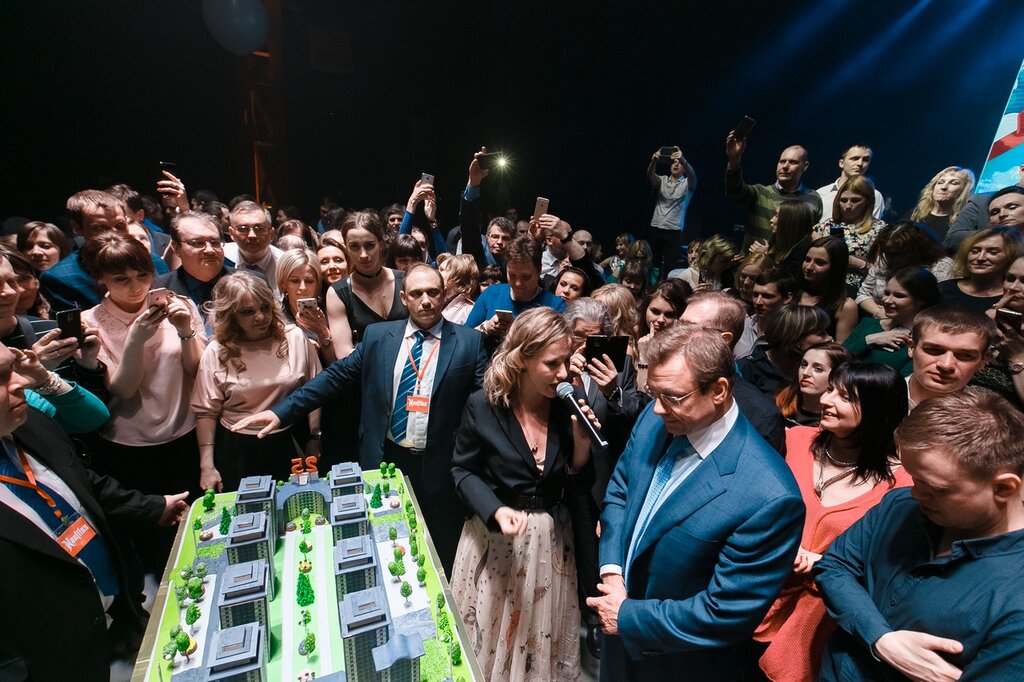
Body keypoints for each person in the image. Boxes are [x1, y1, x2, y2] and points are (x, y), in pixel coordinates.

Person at [233, 264, 487, 570]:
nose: (425, 301)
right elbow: (335, 377)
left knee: (440, 547)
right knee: (385, 538)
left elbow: (483, 406)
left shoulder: (469, 342)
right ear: (404, 298)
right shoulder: (379, 337)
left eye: (433, 292)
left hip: (440, 464)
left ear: (443, 294)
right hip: (385, 457)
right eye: (416, 293)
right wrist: (282, 411)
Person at [591, 324, 804, 681]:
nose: (657, 409)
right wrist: (612, 573)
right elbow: (621, 491)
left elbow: (725, 612)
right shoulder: (658, 420)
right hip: (617, 640)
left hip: (678, 664)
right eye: (654, 393)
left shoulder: (770, 496)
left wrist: (627, 617)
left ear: (718, 390)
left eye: (673, 397)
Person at [0, 345, 189, 682]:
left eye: (13, 369)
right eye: (1, 378)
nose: (20, 383)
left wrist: (152, 507)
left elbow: (83, 482)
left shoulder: (30, 424)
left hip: (114, 612)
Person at [814, 389, 1024, 681]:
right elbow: (835, 567)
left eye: (936, 488)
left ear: (1003, 488)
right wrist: (881, 639)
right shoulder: (901, 505)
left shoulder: (1015, 605)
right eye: (915, 479)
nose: (915, 493)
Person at [450, 307, 595, 681]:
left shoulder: (568, 406)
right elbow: (463, 470)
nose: (564, 373)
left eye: (567, 361)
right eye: (552, 363)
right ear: (522, 359)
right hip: (496, 541)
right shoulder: (484, 405)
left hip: (550, 542)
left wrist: (582, 447)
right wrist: (494, 510)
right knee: (491, 638)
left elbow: (579, 483)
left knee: (536, 644)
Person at [755, 362, 912, 681]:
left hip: (816, 620)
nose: (826, 400)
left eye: (845, 397)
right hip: (756, 592)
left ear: (878, 410)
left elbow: (887, 567)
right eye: (830, 390)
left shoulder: (902, 485)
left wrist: (826, 562)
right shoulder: (795, 439)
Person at [78, 233, 206, 571]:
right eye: (122, 279)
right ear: (101, 279)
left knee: (200, 526)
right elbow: (122, 389)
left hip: (186, 433)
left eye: (143, 275)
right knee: (157, 542)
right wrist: (135, 339)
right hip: (129, 444)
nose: (136, 286)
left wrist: (185, 329)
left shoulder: (179, 304)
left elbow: (197, 370)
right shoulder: (91, 322)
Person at [192, 273, 322, 492]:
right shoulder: (217, 350)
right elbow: (206, 412)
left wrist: (315, 436)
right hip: (239, 448)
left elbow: (314, 390)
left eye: (265, 307)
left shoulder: (294, 337)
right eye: (248, 312)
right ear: (230, 314)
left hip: (291, 438)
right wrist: (207, 466)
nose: (261, 317)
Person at [679, 291, 787, 454]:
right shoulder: (665, 389)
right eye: (678, 325)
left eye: (689, 328)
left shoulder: (760, 415)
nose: (676, 334)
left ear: (724, 339)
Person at [40, 190, 168, 311]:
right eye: (100, 228)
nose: (114, 234)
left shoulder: (154, 261)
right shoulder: (60, 279)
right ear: (77, 228)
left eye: (120, 225)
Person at [725, 133, 822, 253]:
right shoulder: (761, 193)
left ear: (805, 166)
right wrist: (734, 160)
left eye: (793, 162)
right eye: (782, 161)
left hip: (790, 263)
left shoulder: (813, 198)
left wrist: (771, 254)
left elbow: (809, 239)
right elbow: (734, 191)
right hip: (752, 262)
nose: (785, 166)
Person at [465, 234, 566, 339]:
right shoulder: (491, 293)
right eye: (512, 275)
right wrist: (486, 327)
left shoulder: (556, 307)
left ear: (539, 271)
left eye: (526, 277)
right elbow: (463, 337)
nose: (518, 283)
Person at [844, 266, 940, 374]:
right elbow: (836, 359)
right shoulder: (868, 324)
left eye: (899, 296)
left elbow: (902, 381)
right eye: (886, 293)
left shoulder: (923, 340)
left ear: (921, 300)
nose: (887, 300)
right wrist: (869, 340)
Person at [905, 303, 995, 409]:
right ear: (912, 347)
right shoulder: (885, 397)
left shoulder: (991, 416)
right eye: (934, 350)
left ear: (984, 359)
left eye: (965, 355)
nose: (946, 365)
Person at [856, 221, 953, 318]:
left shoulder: (941, 267)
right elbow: (864, 294)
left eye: (896, 253)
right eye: (886, 252)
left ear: (916, 249)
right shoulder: (885, 259)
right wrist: (879, 312)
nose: (889, 257)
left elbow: (941, 308)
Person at [739, 304, 833, 397]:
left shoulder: (817, 366)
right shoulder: (746, 370)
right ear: (796, 340)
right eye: (820, 333)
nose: (829, 338)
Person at [152, 211, 235, 316]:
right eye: (198, 243)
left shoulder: (250, 282)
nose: (210, 250)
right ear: (176, 248)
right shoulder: (158, 289)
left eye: (215, 242)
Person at [969, 255, 1024, 407]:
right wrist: (979, 329)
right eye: (1010, 279)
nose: (1013, 287)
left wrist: (1017, 356)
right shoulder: (992, 319)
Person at [812, 175, 886, 287]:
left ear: (868, 201)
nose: (847, 206)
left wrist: (854, 262)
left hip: (859, 289)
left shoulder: (879, 229)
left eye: (855, 200)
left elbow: (884, 272)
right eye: (843, 200)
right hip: (824, 286)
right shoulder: (825, 226)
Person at [939, 226, 1024, 313]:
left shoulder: (1015, 298)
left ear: (1011, 257)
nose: (980, 258)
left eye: (992, 252)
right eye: (975, 251)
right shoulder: (942, 289)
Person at [275, 248, 337, 364]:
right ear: (283, 284)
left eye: (309, 281)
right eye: (294, 281)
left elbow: (338, 364)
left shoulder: (331, 310)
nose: (303, 288)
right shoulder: (275, 316)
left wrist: (323, 334)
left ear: (317, 283)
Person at [945, 166, 1024, 251]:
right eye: (995, 212)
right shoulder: (981, 200)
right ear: (1022, 170)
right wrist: (997, 234)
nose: (1002, 214)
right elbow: (952, 239)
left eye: (1012, 207)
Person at [774, 342, 852, 427]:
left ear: (837, 376)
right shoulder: (776, 403)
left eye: (818, 369)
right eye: (804, 365)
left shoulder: (837, 423)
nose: (805, 373)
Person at [647, 146, 697, 275]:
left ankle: (667, 286)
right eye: (674, 162)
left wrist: (683, 160)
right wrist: (654, 162)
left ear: (683, 168)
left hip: (674, 230)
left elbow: (693, 176)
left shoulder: (687, 183)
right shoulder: (662, 180)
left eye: (679, 163)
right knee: (653, 264)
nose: (676, 165)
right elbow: (650, 175)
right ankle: (652, 285)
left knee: (670, 266)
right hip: (656, 227)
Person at [799, 237, 858, 343]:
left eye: (819, 263)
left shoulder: (845, 306)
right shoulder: (792, 290)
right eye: (807, 260)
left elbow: (840, 349)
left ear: (836, 267)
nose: (809, 267)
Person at [734, 267, 799, 359]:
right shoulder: (741, 326)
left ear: (787, 298)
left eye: (767, 296)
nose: (758, 302)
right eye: (755, 295)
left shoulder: (793, 336)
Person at [224, 201, 283, 295]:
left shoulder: (284, 263)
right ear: (231, 233)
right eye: (243, 229)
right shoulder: (220, 257)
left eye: (259, 229)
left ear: (271, 233)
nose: (252, 235)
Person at [815, 144, 885, 220]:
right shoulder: (821, 193)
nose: (860, 163)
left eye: (866, 160)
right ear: (841, 163)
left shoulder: (874, 195)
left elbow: (871, 225)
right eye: (855, 158)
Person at [908, 166, 976, 241]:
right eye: (940, 182)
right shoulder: (914, 215)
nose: (943, 187)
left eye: (954, 183)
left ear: (964, 191)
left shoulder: (962, 225)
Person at [750, 199, 814, 277]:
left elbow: (785, 279)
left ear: (790, 221)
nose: (771, 220)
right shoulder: (778, 241)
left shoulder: (804, 250)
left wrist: (765, 258)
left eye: (777, 216)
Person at [672, 235, 736, 291]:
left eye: (729, 262)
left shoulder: (726, 277)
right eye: (722, 261)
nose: (727, 266)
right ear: (710, 257)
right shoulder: (686, 275)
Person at [437, 253, 479, 325]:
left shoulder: (470, 311)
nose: (436, 273)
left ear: (457, 277)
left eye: (442, 270)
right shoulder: (434, 303)